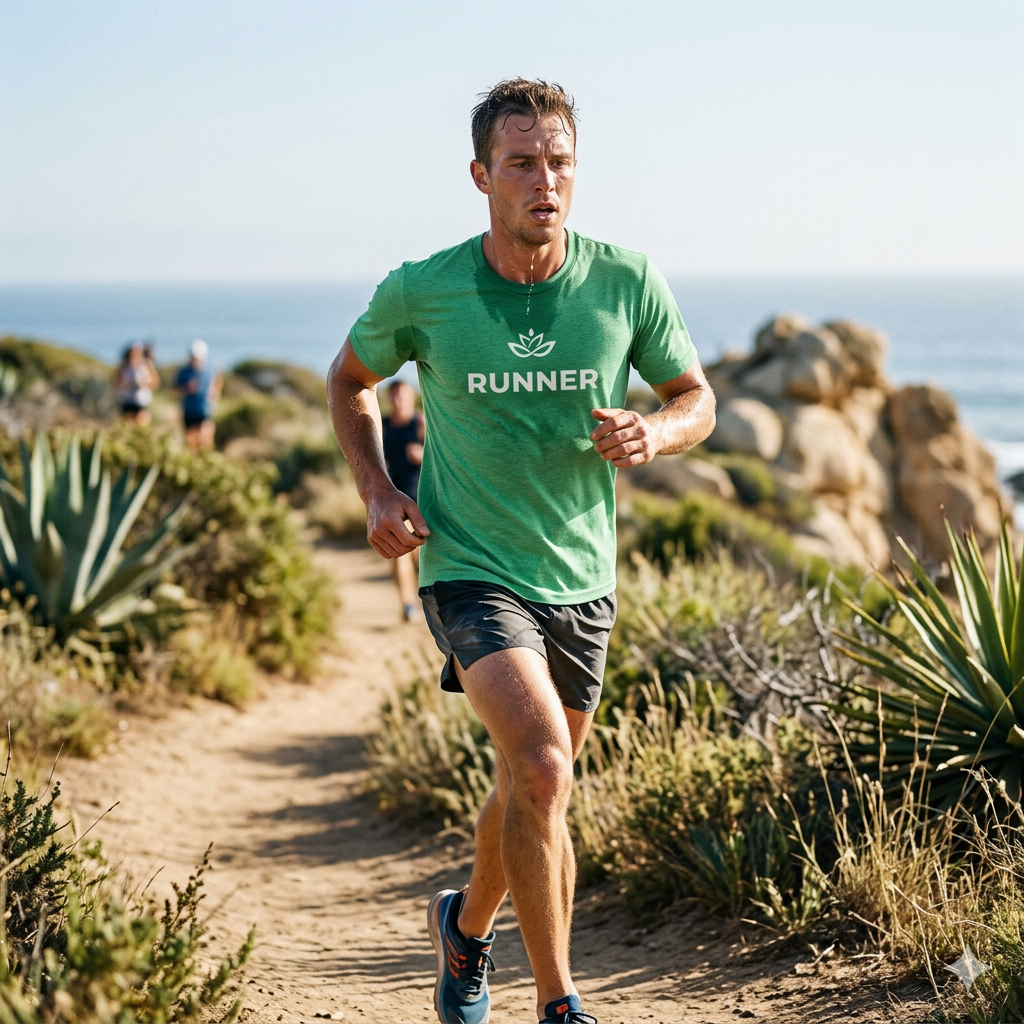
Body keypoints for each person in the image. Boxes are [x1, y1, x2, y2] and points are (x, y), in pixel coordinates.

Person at [327, 78, 716, 1024]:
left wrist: (657, 432)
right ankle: (559, 1004)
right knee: (543, 767)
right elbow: (349, 380)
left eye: (560, 162)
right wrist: (379, 489)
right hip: (468, 566)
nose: (545, 181)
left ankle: (463, 930)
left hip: (581, 575)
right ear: (481, 176)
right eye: (521, 163)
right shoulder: (425, 288)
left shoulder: (626, 281)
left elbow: (696, 399)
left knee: (528, 786)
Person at [382, 379, 425, 621]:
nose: (399, 399)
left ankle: (424, 602)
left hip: (423, 500)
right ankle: (408, 605)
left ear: (412, 397)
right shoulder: (383, 426)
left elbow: (442, 458)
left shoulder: (421, 423)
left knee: (418, 555)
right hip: (394, 501)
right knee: (400, 554)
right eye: (395, 395)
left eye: (403, 394)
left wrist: (422, 456)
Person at [174, 339, 221, 450]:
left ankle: (204, 456)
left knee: (205, 437)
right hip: (189, 410)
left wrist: (214, 393)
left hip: (204, 409)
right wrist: (186, 388)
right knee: (190, 441)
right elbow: (173, 387)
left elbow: (217, 382)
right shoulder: (184, 371)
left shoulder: (209, 370)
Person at [117, 341, 160, 425]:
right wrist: (125, 384)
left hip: (142, 401)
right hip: (127, 400)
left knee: (141, 426)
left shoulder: (146, 365)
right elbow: (117, 382)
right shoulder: (124, 366)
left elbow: (156, 382)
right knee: (128, 426)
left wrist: (144, 382)